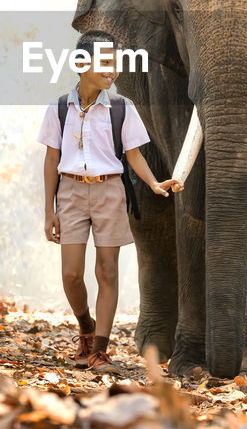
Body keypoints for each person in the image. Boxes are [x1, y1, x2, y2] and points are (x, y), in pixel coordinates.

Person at [37, 30, 178, 375]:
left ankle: (99, 350)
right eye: (104, 62)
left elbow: (134, 156)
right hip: (69, 193)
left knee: (107, 270)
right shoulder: (59, 107)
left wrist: (154, 183)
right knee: (71, 274)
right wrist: (48, 210)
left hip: (109, 192)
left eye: (115, 63)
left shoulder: (121, 108)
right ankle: (86, 328)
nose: (112, 70)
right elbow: (51, 159)